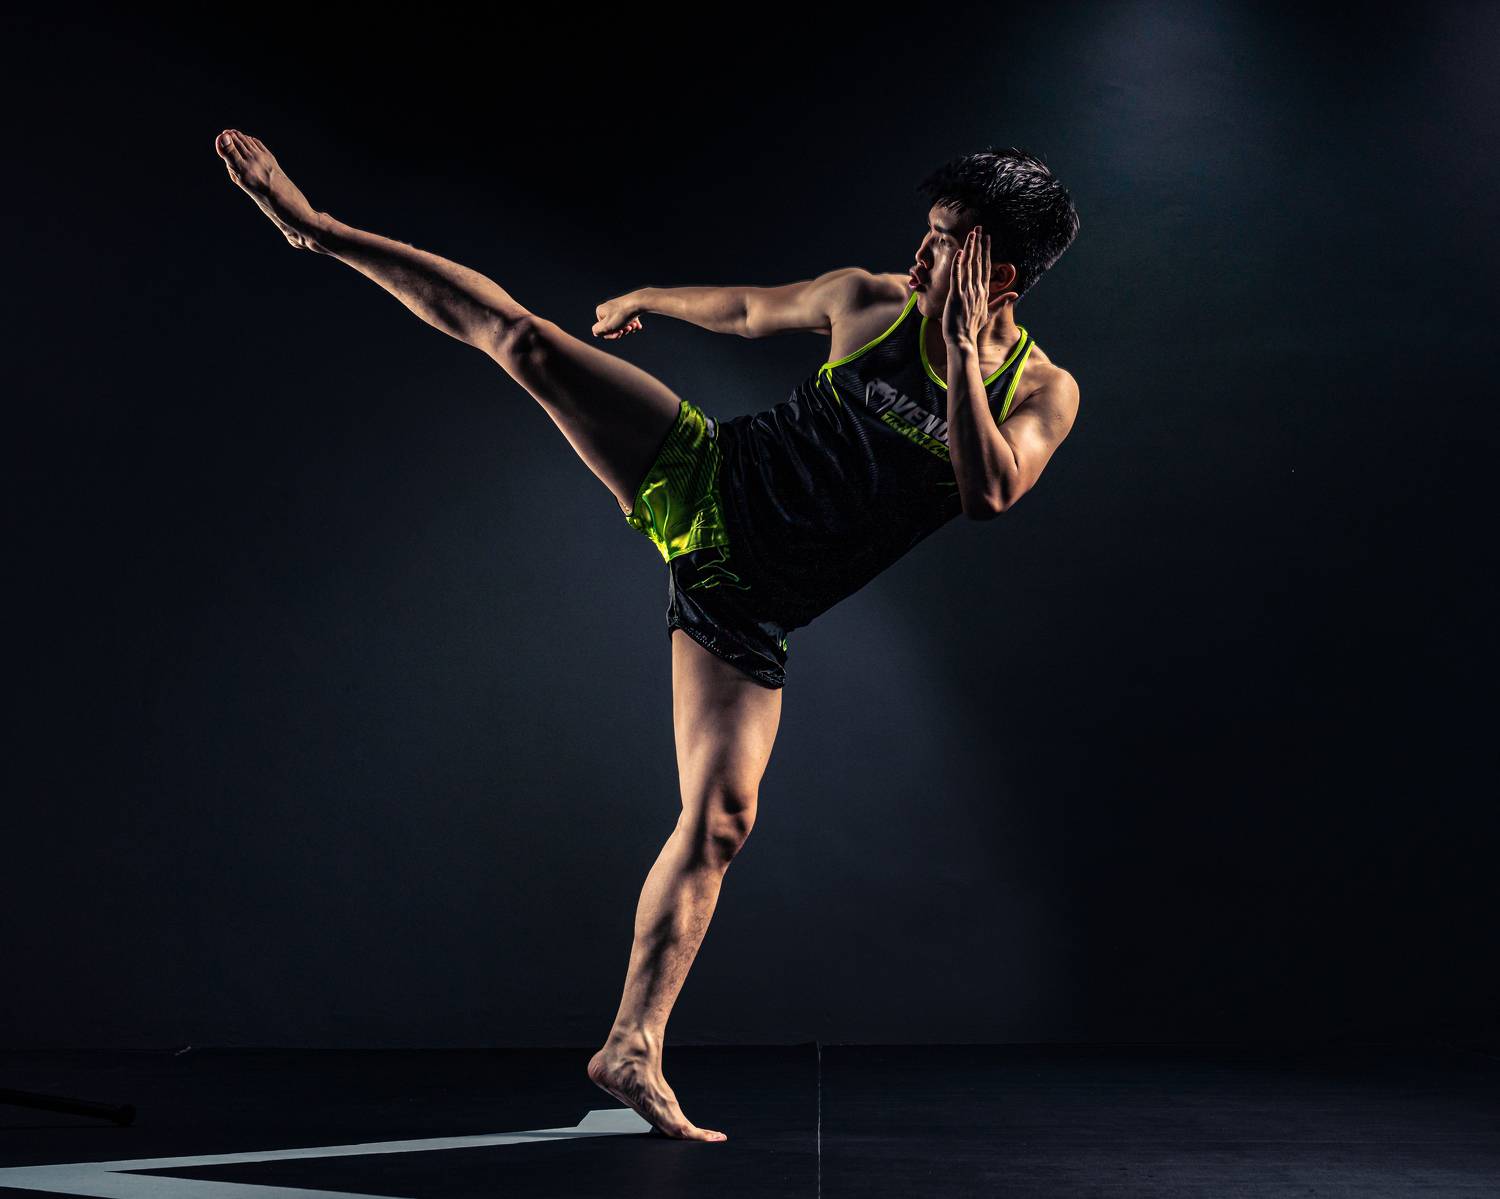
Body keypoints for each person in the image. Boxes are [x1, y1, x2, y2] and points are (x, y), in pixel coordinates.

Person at [214, 130, 1081, 1143]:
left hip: (749, 605)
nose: (921, 255)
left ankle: (630, 1044)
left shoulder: (1039, 391)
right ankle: (315, 228)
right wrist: (652, 297)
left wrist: (965, 352)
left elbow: (988, 491)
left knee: (721, 822)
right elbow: (753, 309)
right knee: (526, 341)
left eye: (947, 244)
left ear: (999, 274)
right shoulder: (872, 300)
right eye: (926, 233)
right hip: (707, 478)